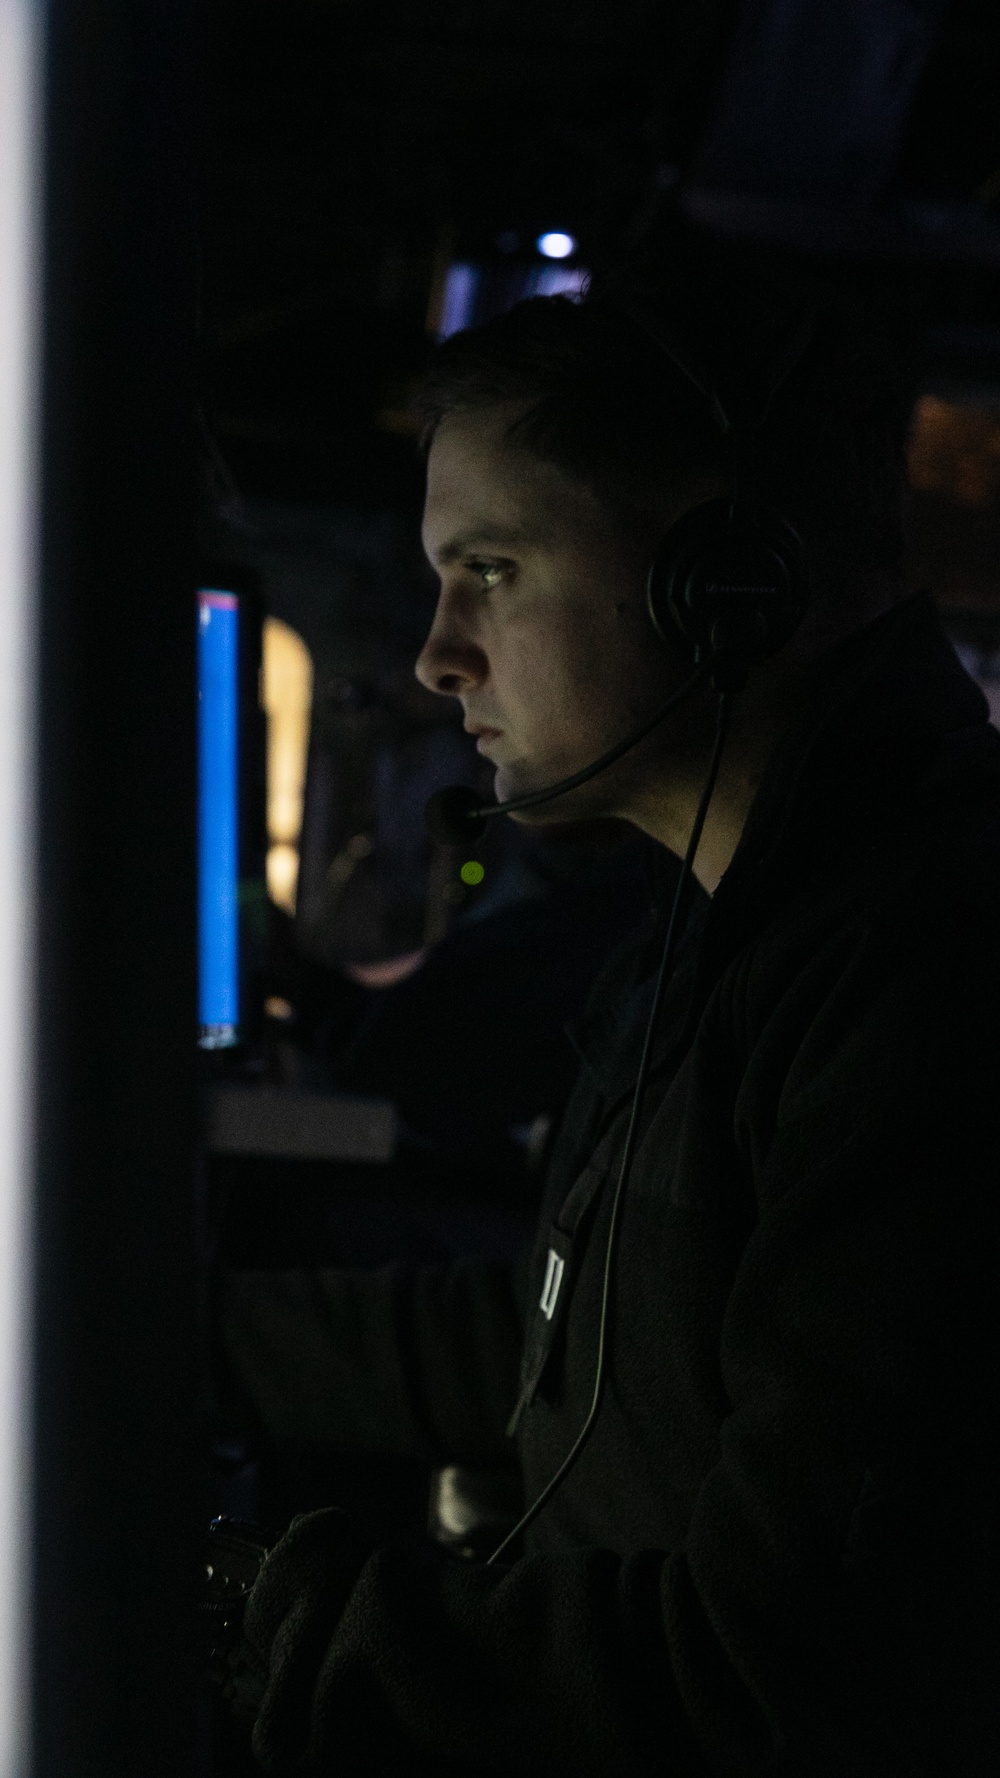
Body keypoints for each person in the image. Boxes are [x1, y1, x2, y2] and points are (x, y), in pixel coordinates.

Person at [216, 253, 1000, 1776]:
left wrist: (258, 1611)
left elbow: (780, 1675)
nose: (441, 652)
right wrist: (147, 1331)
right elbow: (563, 1332)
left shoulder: (923, 983)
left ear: (725, 588)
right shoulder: (735, 923)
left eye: (491, 570)